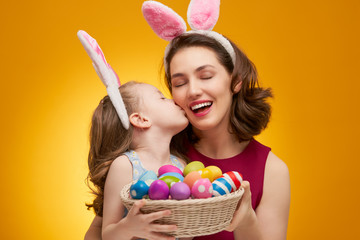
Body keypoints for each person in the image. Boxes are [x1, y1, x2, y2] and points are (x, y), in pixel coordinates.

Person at [85, 0, 290, 239]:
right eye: (179, 83)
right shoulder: (158, 149)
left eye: (206, 76)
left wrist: (245, 221)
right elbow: (100, 234)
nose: (192, 91)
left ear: (236, 81)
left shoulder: (271, 170)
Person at [78, 31, 189, 240]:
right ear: (141, 119)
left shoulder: (181, 165)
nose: (173, 100)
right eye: (162, 98)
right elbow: (107, 234)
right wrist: (129, 228)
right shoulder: (126, 165)